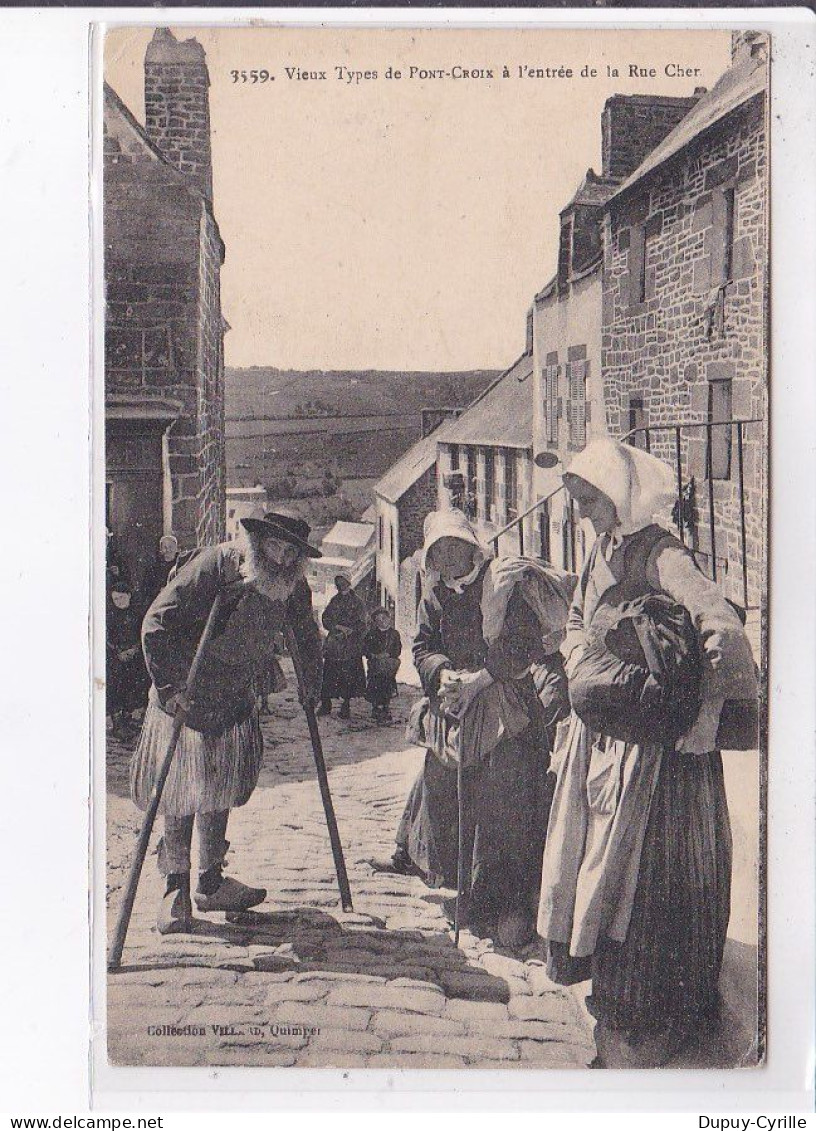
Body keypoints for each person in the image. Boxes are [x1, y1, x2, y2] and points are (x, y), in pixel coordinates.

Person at [537, 438, 758, 1068]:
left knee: (652, 887)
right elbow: (578, 618)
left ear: (619, 496)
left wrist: (710, 713)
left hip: (664, 761)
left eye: (589, 501)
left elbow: (725, 627)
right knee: (603, 876)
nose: (583, 514)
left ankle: (652, 1028)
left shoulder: (661, 553)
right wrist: (582, 659)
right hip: (610, 742)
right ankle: (617, 1024)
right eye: (578, 502)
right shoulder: (602, 550)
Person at [373, 509, 575, 948]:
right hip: (456, 710)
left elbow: (521, 644)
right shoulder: (435, 595)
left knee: (505, 805)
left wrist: (481, 678)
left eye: (455, 547)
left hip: (507, 704)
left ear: (471, 547)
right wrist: (441, 673)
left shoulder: (501, 585)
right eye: (439, 550)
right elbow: (423, 645)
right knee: (448, 795)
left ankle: (507, 906)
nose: (448, 557)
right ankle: (466, 893)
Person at [130, 511, 323, 935]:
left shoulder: (290, 584)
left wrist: (312, 683)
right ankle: (175, 889)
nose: (282, 557)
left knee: (219, 788)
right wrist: (171, 687)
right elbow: (156, 623)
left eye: (292, 552)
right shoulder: (217, 567)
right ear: (257, 541)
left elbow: (306, 634)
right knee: (180, 794)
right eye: (275, 546)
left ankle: (210, 883)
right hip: (186, 695)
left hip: (233, 699)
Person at [318, 575, 367, 719]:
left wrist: (350, 630)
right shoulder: (334, 601)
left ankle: (345, 706)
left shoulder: (358, 602)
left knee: (348, 675)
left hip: (350, 645)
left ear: (348, 583)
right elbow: (326, 618)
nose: (340, 585)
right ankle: (326, 704)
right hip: (335, 645)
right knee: (328, 673)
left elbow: (362, 623)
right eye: (338, 583)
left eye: (343, 583)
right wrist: (336, 627)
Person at [106, 577, 149, 738]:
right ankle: (118, 724)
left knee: (134, 683)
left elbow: (143, 633)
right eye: (116, 599)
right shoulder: (109, 615)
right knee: (116, 685)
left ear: (129, 595)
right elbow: (107, 638)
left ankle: (130, 718)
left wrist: (134, 649)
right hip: (116, 658)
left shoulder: (138, 613)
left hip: (135, 655)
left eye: (122, 597)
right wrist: (118, 652)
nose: (119, 601)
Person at [362, 608, 402, 721]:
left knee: (387, 685)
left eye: (384, 618)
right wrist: (373, 655)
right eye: (378, 620)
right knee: (375, 684)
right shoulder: (372, 634)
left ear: (389, 619)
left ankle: (385, 707)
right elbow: (365, 648)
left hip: (388, 665)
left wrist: (388, 654)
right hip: (375, 664)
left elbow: (397, 649)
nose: (382, 621)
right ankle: (375, 707)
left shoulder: (394, 634)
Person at [141, 533, 180, 613]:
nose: (168, 550)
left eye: (171, 547)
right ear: (161, 550)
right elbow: (146, 589)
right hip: (159, 604)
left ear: (176, 549)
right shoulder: (153, 569)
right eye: (165, 547)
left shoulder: (182, 565)